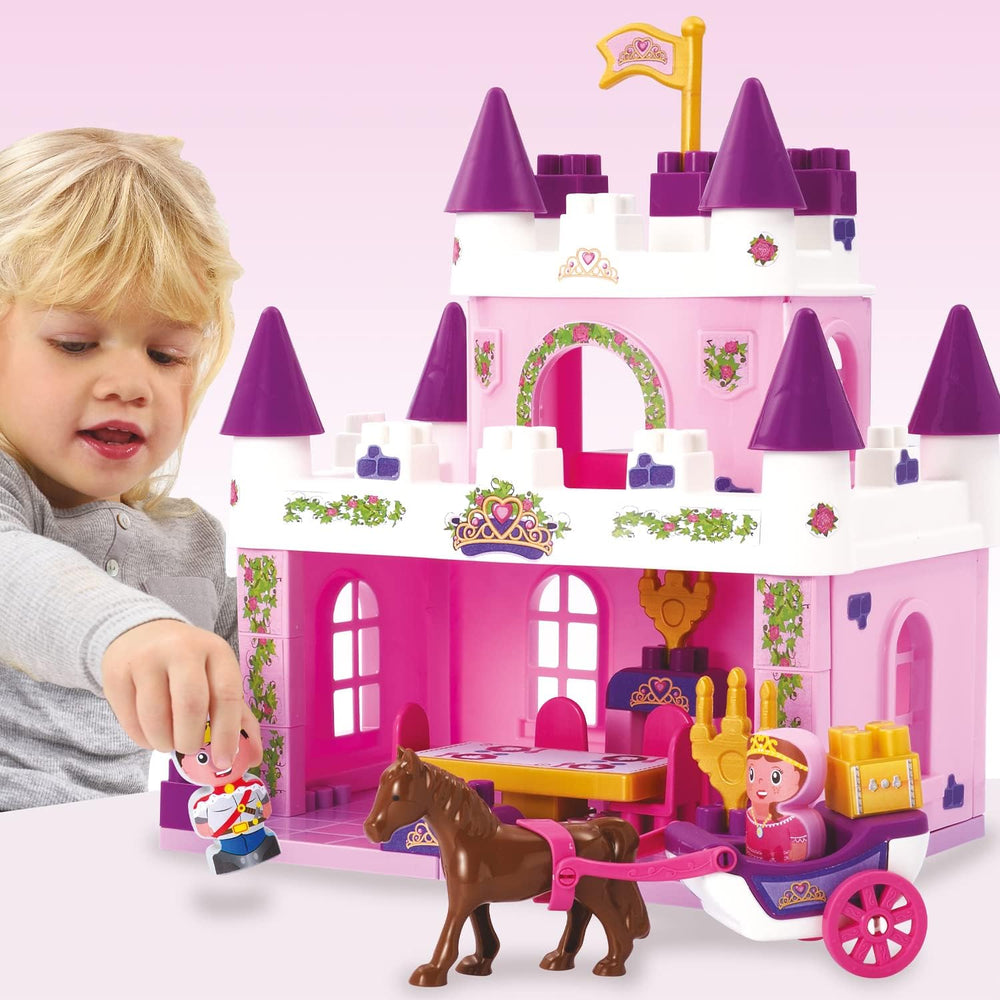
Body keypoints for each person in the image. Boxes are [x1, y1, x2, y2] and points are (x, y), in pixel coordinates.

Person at [0, 127, 258, 811]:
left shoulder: (191, 545)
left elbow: (268, 673)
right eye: (75, 343)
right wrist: (128, 630)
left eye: (165, 355)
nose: (130, 384)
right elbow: (11, 572)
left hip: (102, 849)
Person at [175, 722, 281, 874]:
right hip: (228, 838)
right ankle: (230, 861)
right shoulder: (204, 801)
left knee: (261, 844)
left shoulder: (253, 785)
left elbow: (264, 802)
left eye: (233, 749)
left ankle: (263, 850)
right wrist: (206, 830)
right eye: (203, 758)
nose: (219, 763)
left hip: (256, 829)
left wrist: (265, 810)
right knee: (232, 853)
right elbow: (202, 823)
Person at [744, 727, 827, 862]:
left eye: (775, 777)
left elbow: (798, 855)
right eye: (751, 774)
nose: (760, 782)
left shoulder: (794, 821)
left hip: (787, 872)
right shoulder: (750, 814)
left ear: (799, 776)